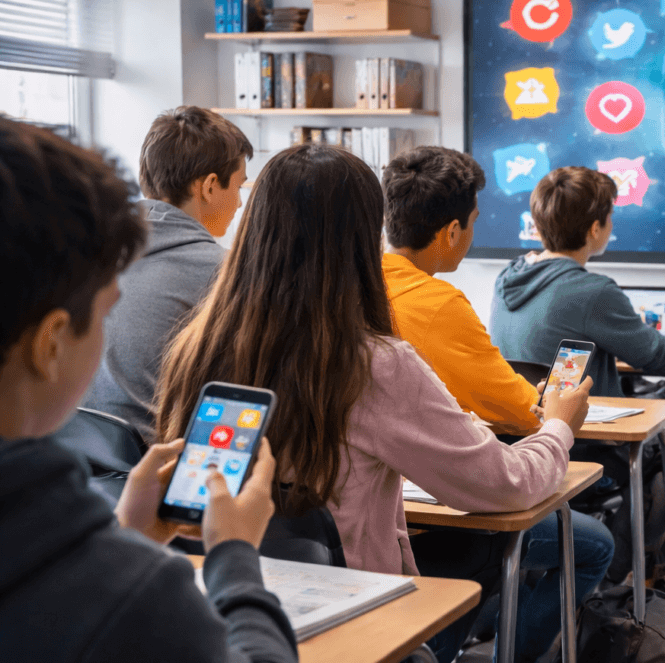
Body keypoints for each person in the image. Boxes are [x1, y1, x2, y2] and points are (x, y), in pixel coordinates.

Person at [155, 143, 592, 663]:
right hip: (357, 617)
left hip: (226, 613)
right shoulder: (371, 362)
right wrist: (559, 428)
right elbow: (504, 483)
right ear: (362, 238)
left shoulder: (194, 346)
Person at [0, 117, 296, 662]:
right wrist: (233, 554)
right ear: (52, 343)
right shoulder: (140, 599)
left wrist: (128, 534)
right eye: (108, 311)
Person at [381, 145, 614, 662]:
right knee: (592, 543)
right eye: (474, 222)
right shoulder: (439, 305)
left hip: (378, 512)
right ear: (451, 232)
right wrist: (559, 417)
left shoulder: (358, 287)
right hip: (429, 515)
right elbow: (523, 410)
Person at [490, 166, 665, 572]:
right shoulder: (592, 291)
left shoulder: (507, 278)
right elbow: (658, 356)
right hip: (589, 443)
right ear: (596, 228)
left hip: (522, 438)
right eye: (611, 218)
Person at [83, 106, 252, 444]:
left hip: (84, 458)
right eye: (239, 187)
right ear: (209, 187)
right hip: (160, 470)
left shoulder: (94, 251)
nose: (238, 204)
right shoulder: (225, 272)